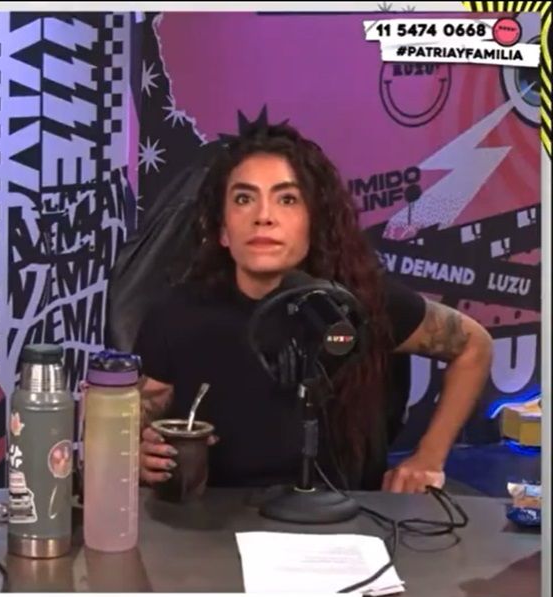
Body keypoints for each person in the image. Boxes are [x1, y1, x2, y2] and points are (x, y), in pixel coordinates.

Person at [134, 122, 493, 494]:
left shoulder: (363, 301)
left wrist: (428, 457)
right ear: (223, 229)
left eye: (287, 199)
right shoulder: (176, 315)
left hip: (347, 517)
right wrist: (138, 454)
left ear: (313, 221)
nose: (264, 216)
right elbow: (139, 417)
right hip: (217, 519)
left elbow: (474, 346)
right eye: (243, 199)